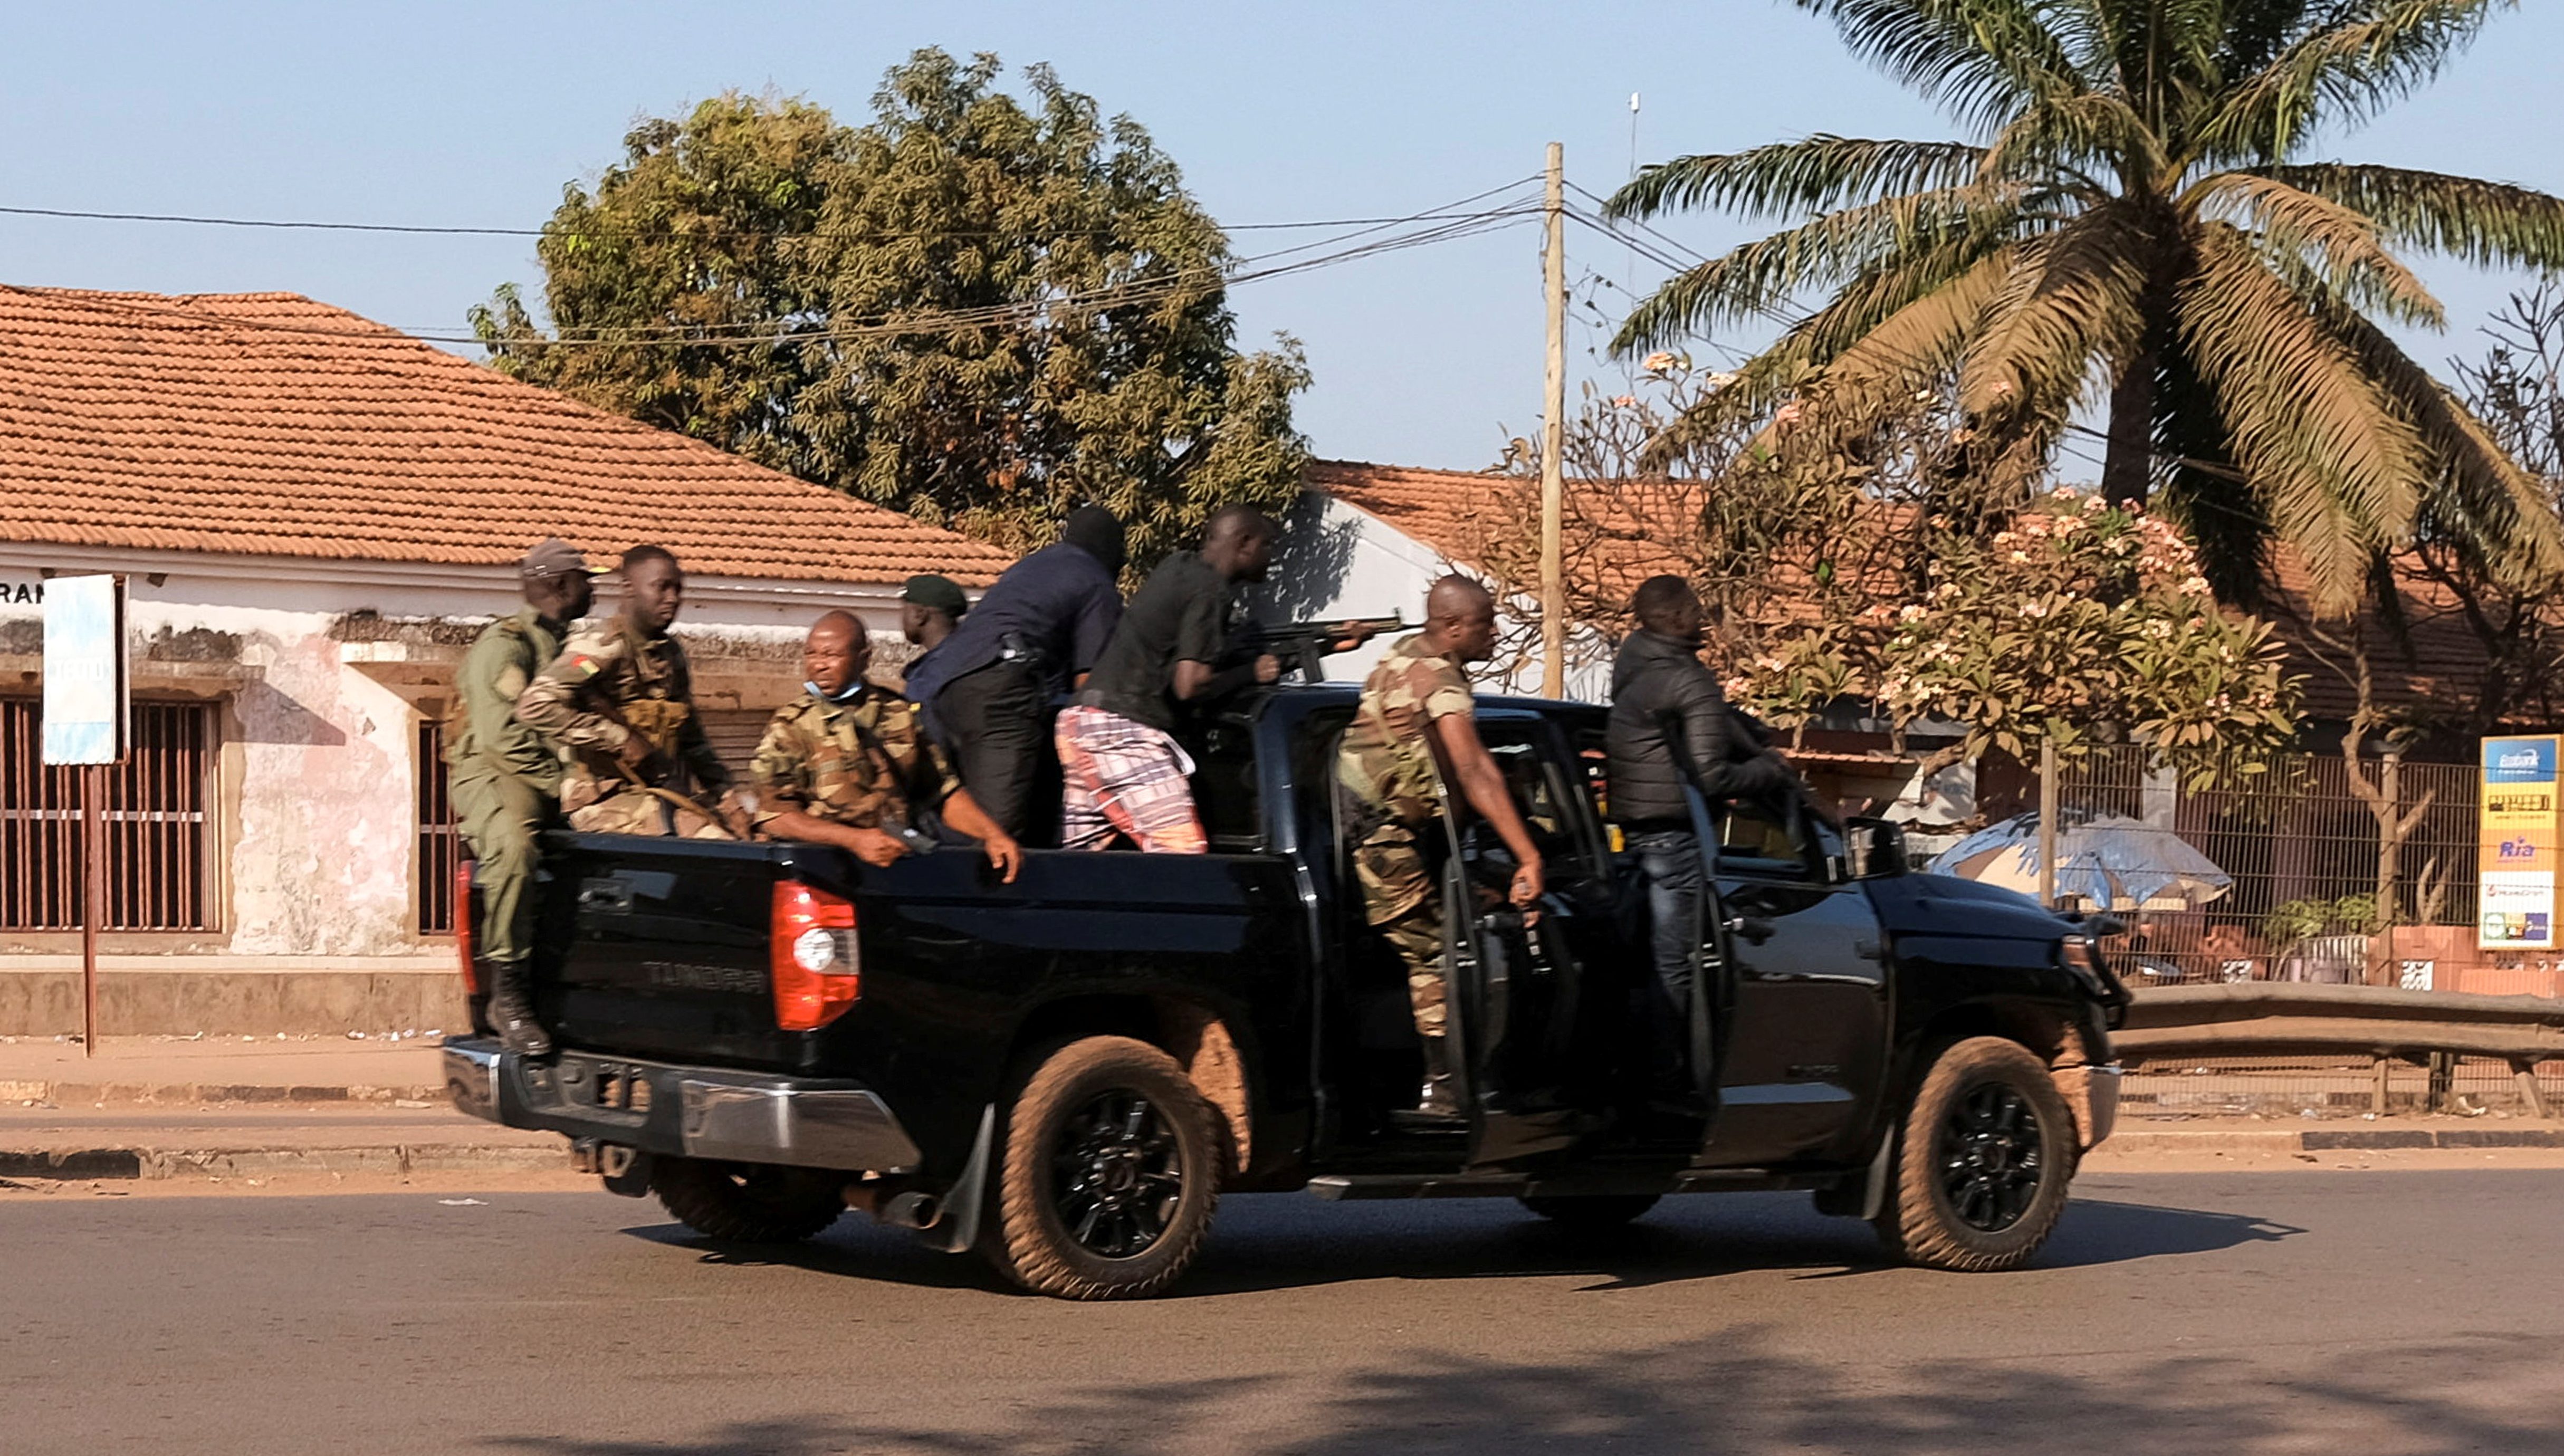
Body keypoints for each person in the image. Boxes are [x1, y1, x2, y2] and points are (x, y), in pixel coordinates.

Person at [1337, 576, 1546, 1118]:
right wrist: (1529, 856)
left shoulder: (1402, 655)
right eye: (1485, 624)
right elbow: (1475, 770)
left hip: (1380, 831)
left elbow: (1442, 778)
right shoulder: (1440, 681)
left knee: (1445, 929)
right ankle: (1445, 1088)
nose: (1496, 634)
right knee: (1435, 953)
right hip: (1381, 837)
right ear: (1452, 627)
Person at [1606, 574, 1797, 1098]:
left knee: (1643, 960)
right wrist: (1772, 774)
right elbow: (1713, 776)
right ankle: (1672, 1080)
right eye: (1694, 607)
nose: (1703, 614)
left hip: (1633, 843)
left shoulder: (1632, 666)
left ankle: (1640, 1074)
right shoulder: (1688, 681)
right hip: (1676, 841)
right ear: (1673, 617)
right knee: (1676, 965)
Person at [1055, 505, 1282, 854]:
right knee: (1181, 852)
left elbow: (1168, 646)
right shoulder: (1211, 592)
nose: (1271, 555)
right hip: (1121, 731)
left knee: (1082, 864)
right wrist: (1251, 672)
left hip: (1080, 723)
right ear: (1244, 543)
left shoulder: (1177, 565)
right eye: (1268, 545)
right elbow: (1189, 685)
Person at [447, 538, 600, 1057]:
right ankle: (507, 994)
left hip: (551, 773)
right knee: (515, 846)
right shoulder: (505, 645)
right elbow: (500, 738)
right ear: (559, 585)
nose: (593, 587)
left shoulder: (572, 648)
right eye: (585, 578)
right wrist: (562, 790)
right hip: (493, 770)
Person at [902, 506, 1125, 840]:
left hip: (945, 687)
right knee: (996, 832)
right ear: (1113, 549)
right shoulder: (1096, 581)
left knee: (951, 801)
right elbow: (1089, 687)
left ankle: (921, 845)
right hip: (1000, 691)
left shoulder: (1033, 565)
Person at [751, 611, 1021, 883]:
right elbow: (775, 816)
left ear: (864, 658)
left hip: (897, 867)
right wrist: (854, 840)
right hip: (827, 872)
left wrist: (992, 835)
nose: (820, 665)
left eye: (832, 655)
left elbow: (941, 790)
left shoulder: (898, 714)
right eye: (812, 654)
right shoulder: (790, 725)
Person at [515, 544, 741, 838]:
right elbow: (535, 705)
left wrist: (729, 801)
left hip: (660, 792)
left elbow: (693, 741)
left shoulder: (671, 655)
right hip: (603, 797)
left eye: (677, 589)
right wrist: (619, 739)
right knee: (713, 843)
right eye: (661, 588)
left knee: (745, 840)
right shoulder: (602, 645)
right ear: (629, 588)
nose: (672, 599)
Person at [898, 574, 968, 660]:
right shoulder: (967, 656)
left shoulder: (940, 667)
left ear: (920, 615)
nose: (903, 618)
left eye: (905, 610)